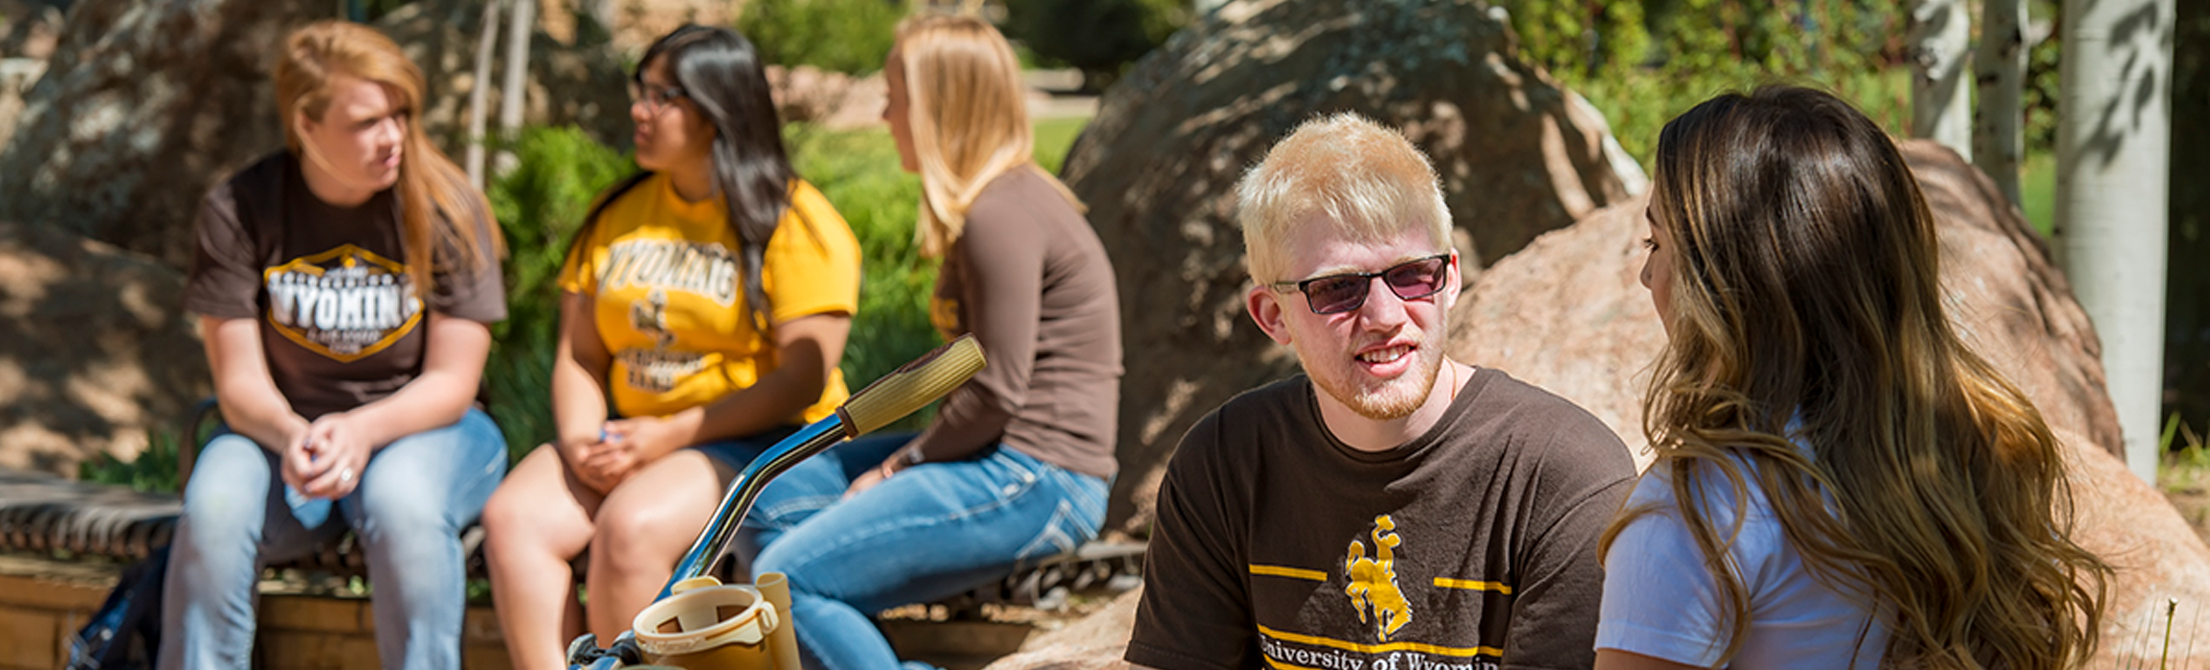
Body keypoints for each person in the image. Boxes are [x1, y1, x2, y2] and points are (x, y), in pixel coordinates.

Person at [1594, 86, 2112, 669]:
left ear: (1728, 282)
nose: (1646, 275)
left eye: (1657, 242)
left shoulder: (1704, 509)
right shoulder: (1975, 452)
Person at [1124, 113, 1636, 669]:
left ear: (1452, 279)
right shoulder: (1225, 462)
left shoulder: (1565, 478)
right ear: (1273, 316)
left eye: (1413, 274)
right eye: (1338, 288)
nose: (1386, 316)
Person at [733, 14, 1121, 670]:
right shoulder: (997, 203)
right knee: (774, 492)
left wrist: (898, 468)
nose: (885, 114)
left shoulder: (1003, 214)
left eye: (896, 96)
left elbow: (996, 389)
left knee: (787, 581)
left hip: (1036, 476)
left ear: (941, 105)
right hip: (1005, 459)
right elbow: (960, 376)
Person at [476, 25, 861, 670]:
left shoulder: (794, 221)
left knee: (631, 527)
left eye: (662, 97)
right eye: (641, 92)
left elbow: (800, 378)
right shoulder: (617, 214)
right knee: (515, 516)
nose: (639, 110)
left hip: (758, 441)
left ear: (717, 110)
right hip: (627, 434)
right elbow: (581, 354)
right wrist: (581, 439)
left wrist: (670, 435)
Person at [165, 20, 509, 670]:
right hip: (286, 440)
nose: (393, 138)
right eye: (367, 123)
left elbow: (451, 383)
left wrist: (360, 430)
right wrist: (293, 434)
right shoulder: (240, 208)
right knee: (214, 503)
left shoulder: (447, 208)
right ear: (306, 124)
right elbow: (238, 382)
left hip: (430, 429)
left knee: (401, 503)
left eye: (401, 114)